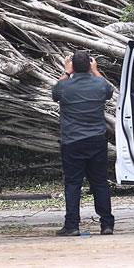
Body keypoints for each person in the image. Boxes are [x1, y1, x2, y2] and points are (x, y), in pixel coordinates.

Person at [52, 50, 115, 236]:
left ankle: (72, 226)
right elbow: (109, 90)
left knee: (73, 184)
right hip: (96, 141)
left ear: (72, 66)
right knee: (100, 183)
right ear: (90, 64)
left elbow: (55, 93)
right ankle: (106, 225)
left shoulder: (65, 86)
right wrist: (95, 71)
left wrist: (66, 72)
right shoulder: (99, 84)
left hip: (72, 142)